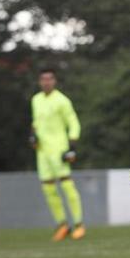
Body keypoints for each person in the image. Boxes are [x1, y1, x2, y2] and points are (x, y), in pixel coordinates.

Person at [30, 68, 85, 241]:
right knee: (48, 188)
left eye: (49, 79)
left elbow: (73, 122)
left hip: (59, 149)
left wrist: (72, 146)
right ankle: (62, 225)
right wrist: (32, 136)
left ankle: (78, 224)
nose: (46, 82)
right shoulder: (36, 100)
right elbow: (36, 123)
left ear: (54, 81)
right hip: (42, 152)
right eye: (43, 79)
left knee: (67, 186)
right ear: (40, 82)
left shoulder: (62, 100)